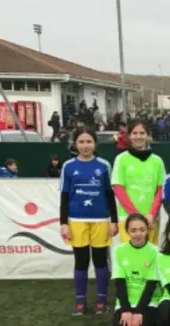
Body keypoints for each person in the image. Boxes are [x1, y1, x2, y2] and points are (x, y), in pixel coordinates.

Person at [60, 127, 118, 315]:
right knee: (81, 260)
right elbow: (64, 196)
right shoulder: (68, 166)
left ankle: (101, 299)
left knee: (101, 260)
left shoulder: (104, 165)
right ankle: (80, 300)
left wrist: (114, 220)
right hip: (76, 220)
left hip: (101, 219)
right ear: (75, 144)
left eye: (89, 141)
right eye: (81, 142)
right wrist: (63, 223)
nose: (85, 145)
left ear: (95, 144)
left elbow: (110, 195)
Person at [112, 120, 166, 244]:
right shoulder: (121, 159)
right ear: (129, 136)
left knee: (150, 255)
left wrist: (152, 214)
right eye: (135, 133)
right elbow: (118, 189)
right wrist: (135, 216)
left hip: (150, 220)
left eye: (142, 133)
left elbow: (160, 190)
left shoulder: (157, 161)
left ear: (148, 136)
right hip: (128, 218)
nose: (138, 136)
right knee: (130, 255)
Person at [111, 214, 161, 326]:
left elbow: (151, 285)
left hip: (148, 302)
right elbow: (119, 283)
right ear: (127, 231)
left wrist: (139, 311)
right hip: (126, 301)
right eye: (133, 230)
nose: (138, 234)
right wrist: (126, 310)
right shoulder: (118, 250)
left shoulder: (156, 252)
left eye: (142, 230)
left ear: (147, 230)